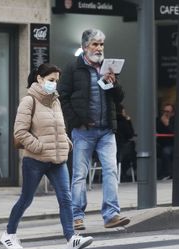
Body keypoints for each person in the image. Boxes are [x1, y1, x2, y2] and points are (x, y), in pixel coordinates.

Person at [1, 63, 93, 249]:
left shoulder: (55, 101)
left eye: (56, 81)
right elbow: (20, 132)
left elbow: (58, 127)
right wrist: (39, 147)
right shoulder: (29, 101)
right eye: (51, 80)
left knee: (66, 199)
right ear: (39, 79)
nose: (54, 84)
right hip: (34, 160)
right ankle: (9, 234)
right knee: (26, 199)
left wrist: (66, 142)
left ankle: (71, 238)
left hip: (57, 160)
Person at [57, 29, 130, 231]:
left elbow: (119, 98)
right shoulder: (73, 68)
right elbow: (62, 96)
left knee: (111, 171)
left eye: (101, 44)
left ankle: (111, 214)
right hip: (83, 131)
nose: (99, 48)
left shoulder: (109, 68)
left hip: (106, 130)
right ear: (84, 47)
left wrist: (113, 83)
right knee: (80, 174)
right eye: (94, 44)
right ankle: (77, 216)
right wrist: (76, 121)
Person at [116, 104, 136, 182]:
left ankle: (121, 173)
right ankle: (123, 173)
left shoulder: (109, 121)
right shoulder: (123, 122)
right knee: (131, 150)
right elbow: (130, 134)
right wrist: (129, 121)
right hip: (121, 150)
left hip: (110, 151)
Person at [156, 103, 175, 181]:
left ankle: (168, 173)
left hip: (172, 144)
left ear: (172, 112)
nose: (165, 113)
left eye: (168, 111)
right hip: (161, 143)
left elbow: (173, 132)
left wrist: (167, 124)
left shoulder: (175, 120)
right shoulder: (159, 120)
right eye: (164, 111)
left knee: (166, 152)